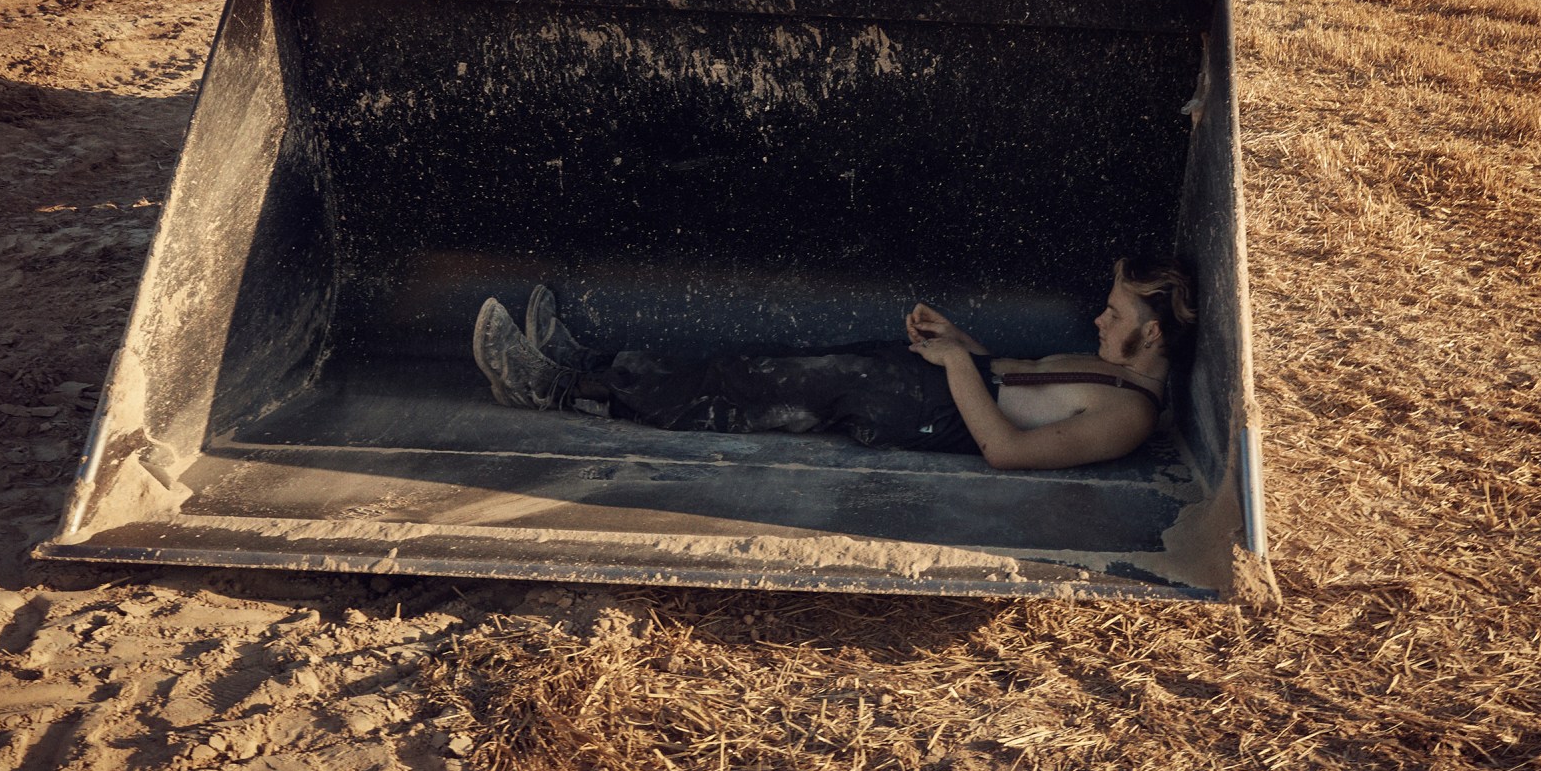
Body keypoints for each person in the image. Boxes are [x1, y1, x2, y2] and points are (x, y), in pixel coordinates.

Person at [470, 257, 1195, 471]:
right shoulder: (1109, 369)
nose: (1099, 319)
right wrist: (959, 339)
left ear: (1153, 337)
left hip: (934, 413)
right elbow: (1013, 376)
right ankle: (589, 360)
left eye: (1116, 315)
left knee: (748, 394)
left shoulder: (1126, 414)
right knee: (753, 365)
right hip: (939, 382)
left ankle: (558, 392)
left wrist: (951, 368)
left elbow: (1004, 447)